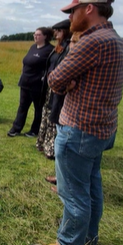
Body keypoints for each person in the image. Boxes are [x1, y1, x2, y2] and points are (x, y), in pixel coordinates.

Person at [30, 0, 123, 245]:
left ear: (89, 9)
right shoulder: (116, 39)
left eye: (72, 11)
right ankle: (88, 239)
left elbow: (55, 79)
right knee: (91, 186)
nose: (70, 17)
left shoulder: (90, 42)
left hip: (78, 129)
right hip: (101, 128)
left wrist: (69, 82)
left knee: (73, 194)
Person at [7, 27, 54, 138]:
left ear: (45, 36)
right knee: (22, 106)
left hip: (37, 85)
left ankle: (34, 130)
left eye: (38, 34)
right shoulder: (33, 47)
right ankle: (16, 129)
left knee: (38, 108)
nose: (35, 36)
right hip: (25, 82)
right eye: (34, 34)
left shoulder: (50, 50)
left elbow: (51, 66)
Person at [36, 19, 72, 160]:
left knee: (54, 115)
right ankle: (43, 143)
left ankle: (51, 149)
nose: (56, 34)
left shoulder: (70, 47)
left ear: (66, 32)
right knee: (47, 112)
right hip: (50, 86)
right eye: (55, 31)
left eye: (59, 31)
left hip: (59, 88)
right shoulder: (58, 47)